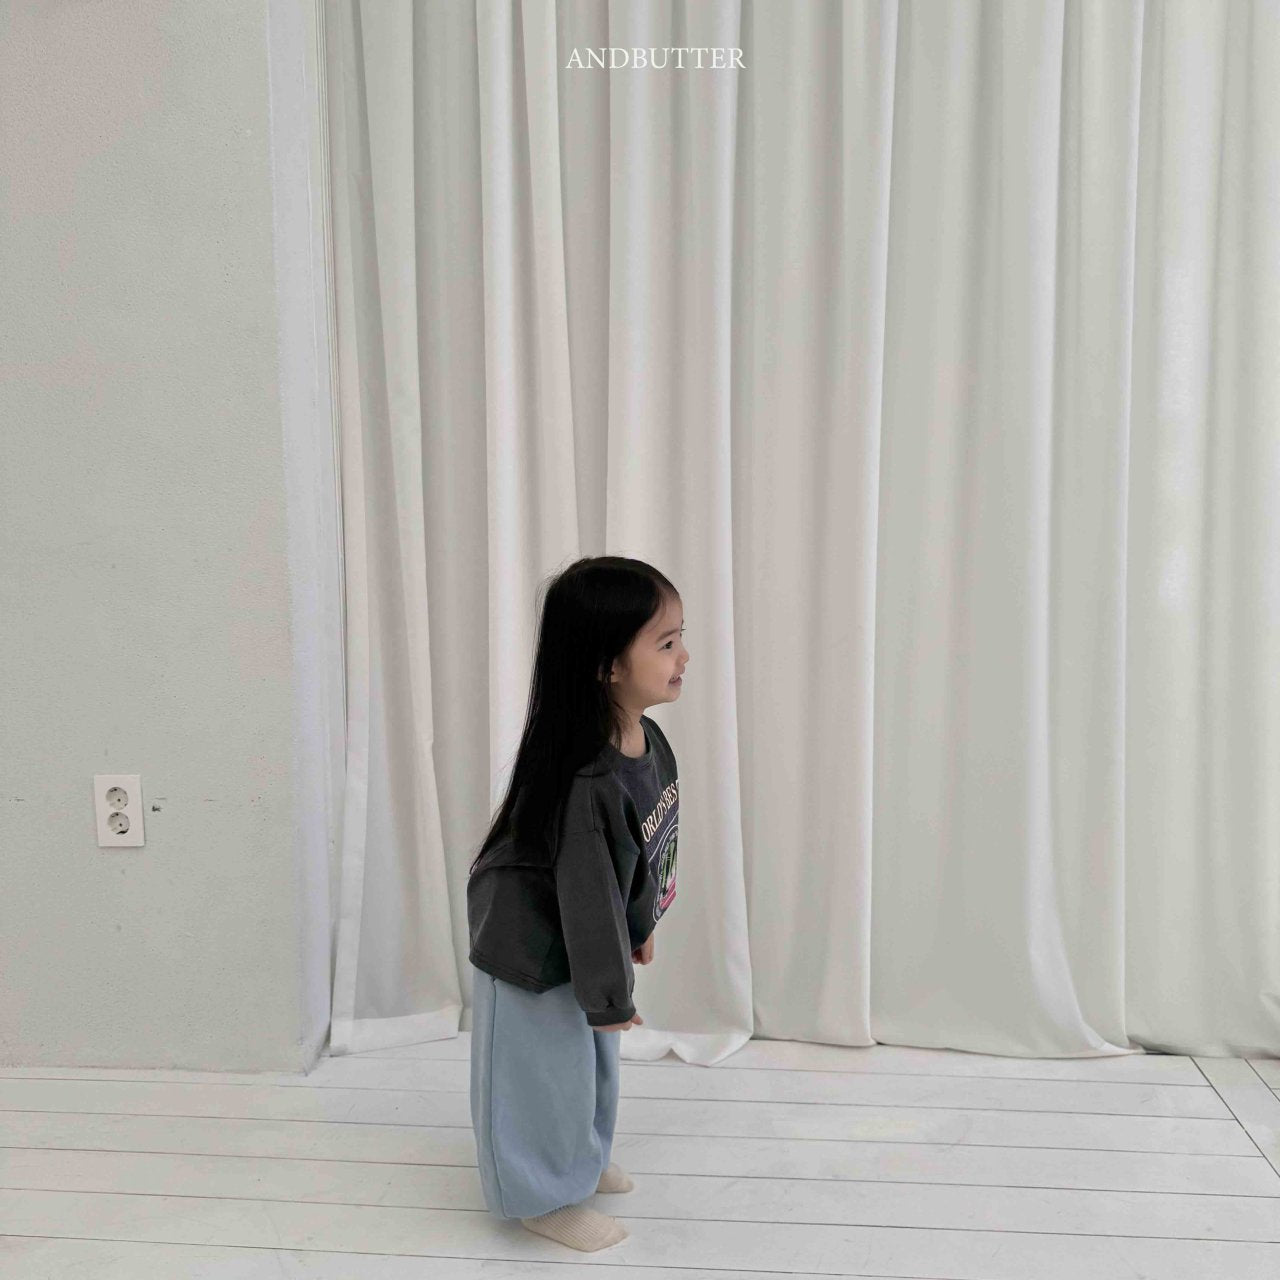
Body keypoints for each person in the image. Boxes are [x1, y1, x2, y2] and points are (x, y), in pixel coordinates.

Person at [466, 556, 686, 1252]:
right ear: (607, 666)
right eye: (666, 643)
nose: (684, 657)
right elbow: (587, 897)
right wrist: (609, 990)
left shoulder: (647, 743)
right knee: (541, 1080)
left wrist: (639, 926)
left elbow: (642, 852)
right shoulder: (587, 779)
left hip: (583, 939)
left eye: (680, 637)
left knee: (592, 1065)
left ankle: (577, 1163)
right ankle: (538, 1196)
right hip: (530, 946)